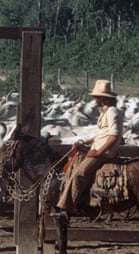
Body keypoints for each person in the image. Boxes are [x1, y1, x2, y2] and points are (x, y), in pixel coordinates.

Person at [54, 79, 124, 219]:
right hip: (99, 148)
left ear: (102, 99)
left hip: (105, 153)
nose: (94, 100)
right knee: (73, 166)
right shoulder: (106, 112)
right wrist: (84, 144)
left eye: (96, 97)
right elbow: (101, 135)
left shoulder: (111, 112)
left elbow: (114, 136)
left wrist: (98, 152)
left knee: (80, 174)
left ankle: (68, 208)